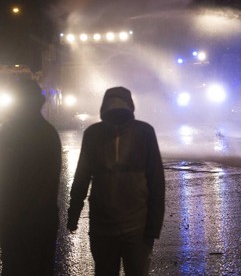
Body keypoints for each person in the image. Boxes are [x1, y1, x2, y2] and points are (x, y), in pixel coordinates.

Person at [67, 86, 165, 276]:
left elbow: (81, 178)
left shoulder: (142, 133)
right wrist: (153, 226)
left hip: (124, 227)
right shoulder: (95, 134)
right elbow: (156, 183)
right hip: (125, 226)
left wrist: (73, 215)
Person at [0, 79, 62, 275]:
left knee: (14, 267)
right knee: (41, 268)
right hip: (43, 218)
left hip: (14, 219)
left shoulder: (7, 131)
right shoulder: (49, 132)